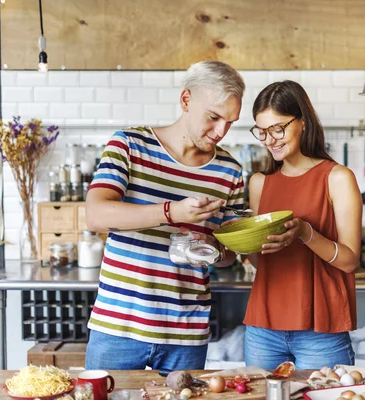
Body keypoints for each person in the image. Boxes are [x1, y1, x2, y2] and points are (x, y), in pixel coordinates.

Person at [84, 61, 246, 374]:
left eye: (230, 122)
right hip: (118, 327)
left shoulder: (230, 170)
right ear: (186, 100)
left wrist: (214, 247)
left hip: (186, 335)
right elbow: (95, 215)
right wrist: (172, 212)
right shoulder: (129, 145)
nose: (220, 132)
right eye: (213, 117)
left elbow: (229, 256)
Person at [242, 80, 363, 369]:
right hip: (263, 328)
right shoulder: (259, 183)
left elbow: (349, 261)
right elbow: (263, 263)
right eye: (262, 131)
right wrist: (243, 242)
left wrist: (306, 233)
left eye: (278, 128)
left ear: (304, 122)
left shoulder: (337, 178)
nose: (270, 139)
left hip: (320, 330)